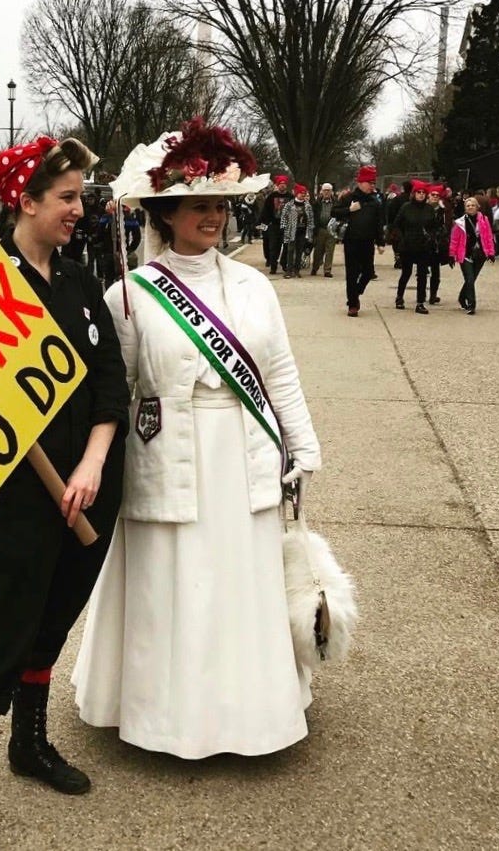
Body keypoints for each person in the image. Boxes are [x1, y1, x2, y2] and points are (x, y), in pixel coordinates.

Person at [73, 116, 319, 760]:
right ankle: (165, 718)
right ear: (168, 213)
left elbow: (280, 373)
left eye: (219, 206)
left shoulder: (253, 287)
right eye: (199, 206)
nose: (212, 217)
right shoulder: (131, 295)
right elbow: (113, 391)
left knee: (238, 582)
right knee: (173, 586)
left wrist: (305, 445)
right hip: (169, 452)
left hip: (241, 450)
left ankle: (248, 713)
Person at [0, 136, 128, 851]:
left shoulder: (81, 280)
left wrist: (93, 463)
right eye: (68, 198)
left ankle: (31, 743)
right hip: (17, 498)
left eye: (81, 196)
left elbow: (112, 379)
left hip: (88, 490)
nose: (80, 209)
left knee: (53, 619)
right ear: (25, 201)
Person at [332, 164, 386, 317]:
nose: (372, 186)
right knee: (352, 273)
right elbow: (334, 212)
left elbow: (378, 224)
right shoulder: (348, 198)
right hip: (351, 241)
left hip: (367, 241)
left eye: (374, 183)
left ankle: (356, 291)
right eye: (370, 183)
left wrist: (381, 242)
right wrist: (349, 210)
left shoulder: (374, 202)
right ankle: (353, 304)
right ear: (361, 183)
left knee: (368, 272)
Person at [392, 180, 437, 314]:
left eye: (423, 193)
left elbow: (434, 226)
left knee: (422, 275)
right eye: (419, 192)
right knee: (406, 273)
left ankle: (420, 302)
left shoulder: (429, 209)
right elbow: (396, 224)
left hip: (423, 246)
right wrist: (401, 237)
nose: (421, 195)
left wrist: (432, 237)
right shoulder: (406, 207)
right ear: (414, 194)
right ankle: (400, 297)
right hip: (408, 245)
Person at [449, 195, 496, 315]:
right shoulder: (460, 223)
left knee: (472, 279)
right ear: (465, 208)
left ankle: (462, 296)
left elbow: (488, 237)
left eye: (473, 205)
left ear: (477, 207)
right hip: (465, 254)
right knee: (469, 278)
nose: (470, 207)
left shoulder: (484, 220)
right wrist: (451, 255)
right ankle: (471, 305)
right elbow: (454, 240)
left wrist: (491, 253)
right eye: (468, 206)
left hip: (480, 254)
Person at [280, 183, 314, 278]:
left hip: (302, 232)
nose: (303, 194)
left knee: (299, 251)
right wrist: (283, 228)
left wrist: (310, 231)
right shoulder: (289, 205)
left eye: (304, 193)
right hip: (291, 232)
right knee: (290, 250)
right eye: (301, 193)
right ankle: (289, 270)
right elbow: (284, 217)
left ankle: (297, 270)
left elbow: (311, 219)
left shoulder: (308, 206)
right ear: (296, 193)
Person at [258, 174, 290, 273]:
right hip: (274, 225)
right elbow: (265, 211)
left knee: (286, 246)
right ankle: (273, 266)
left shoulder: (290, 197)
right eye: (281, 184)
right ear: (277, 185)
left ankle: (284, 264)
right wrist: (263, 223)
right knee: (273, 247)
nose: (282, 185)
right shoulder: (271, 197)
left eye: (284, 184)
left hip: (286, 226)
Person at [310, 182, 336, 276]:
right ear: (321, 191)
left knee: (330, 251)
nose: (326, 192)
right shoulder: (316, 203)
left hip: (332, 230)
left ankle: (327, 270)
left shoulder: (336, 203)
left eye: (328, 191)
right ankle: (315, 267)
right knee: (318, 251)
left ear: (331, 192)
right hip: (320, 229)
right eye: (325, 190)